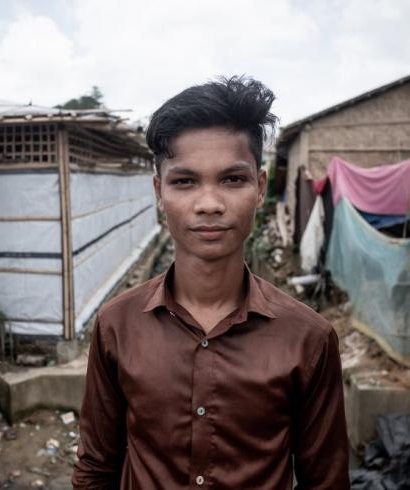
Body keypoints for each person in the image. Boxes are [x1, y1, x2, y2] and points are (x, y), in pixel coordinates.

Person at [73, 77, 350, 489]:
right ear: (159, 191)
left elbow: (325, 482)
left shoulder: (308, 340)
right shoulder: (117, 325)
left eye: (232, 180)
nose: (209, 204)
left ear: (260, 187)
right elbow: (96, 469)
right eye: (184, 181)